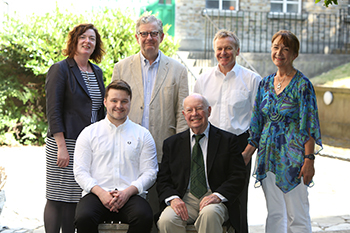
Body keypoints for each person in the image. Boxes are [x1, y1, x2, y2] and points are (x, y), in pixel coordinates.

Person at [111, 14, 189, 232]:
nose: (149, 38)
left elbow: (182, 115)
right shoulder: (121, 68)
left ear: (162, 37)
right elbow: (114, 109)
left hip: (164, 150)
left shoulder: (178, 70)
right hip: (128, 150)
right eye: (144, 34)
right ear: (137, 37)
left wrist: (179, 150)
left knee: (159, 206)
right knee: (133, 209)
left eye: (153, 33)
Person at [242, 30, 322, 233]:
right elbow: (257, 122)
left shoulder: (302, 85)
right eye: (276, 47)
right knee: (275, 213)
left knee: (298, 215)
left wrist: (309, 160)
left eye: (285, 49)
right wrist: (248, 153)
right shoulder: (265, 83)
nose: (279, 52)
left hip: (294, 160)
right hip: (268, 157)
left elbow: (309, 124)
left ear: (294, 55)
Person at [193, 29, 261, 233]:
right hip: (209, 145)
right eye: (219, 49)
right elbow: (194, 115)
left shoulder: (252, 80)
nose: (223, 53)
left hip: (240, 147)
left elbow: (260, 119)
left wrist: (249, 151)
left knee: (238, 202)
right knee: (210, 198)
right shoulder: (203, 80)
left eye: (228, 48)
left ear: (237, 50)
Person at [73, 80, 158, 233]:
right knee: (84, 217)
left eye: (124, 101)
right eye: (114, 100)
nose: (119, 105)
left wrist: (127, 192)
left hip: (131, 194)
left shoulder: (143, 135)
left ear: (130, 103)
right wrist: (101, 193)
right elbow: (80, 171)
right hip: (96, 194)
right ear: (105, 102)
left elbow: (150, 172)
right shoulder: (89, 133)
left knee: (144, 216)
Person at [44, 23, 105, 233]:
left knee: (73, 198)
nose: (87, 41)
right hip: (64, 142)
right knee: (56, 197)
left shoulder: (97, 72)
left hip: (87, 144)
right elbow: (53, 110)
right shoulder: (60, 69)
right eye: (83, 37)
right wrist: (61, 145)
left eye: (92, 39)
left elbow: (99, 111)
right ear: (74, 41)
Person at [156, 93, 247, 233]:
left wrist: (217, 196)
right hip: (185, 199)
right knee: (167, 220)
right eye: (189, 110)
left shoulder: (228, 141)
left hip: (215, 197)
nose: (194, 114)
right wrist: (173, 199)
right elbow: (163, 179)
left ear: (209, 111)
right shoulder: (172, 144)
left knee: (209, 215)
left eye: (199, 109)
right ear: (184, 114)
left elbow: (238, 175)